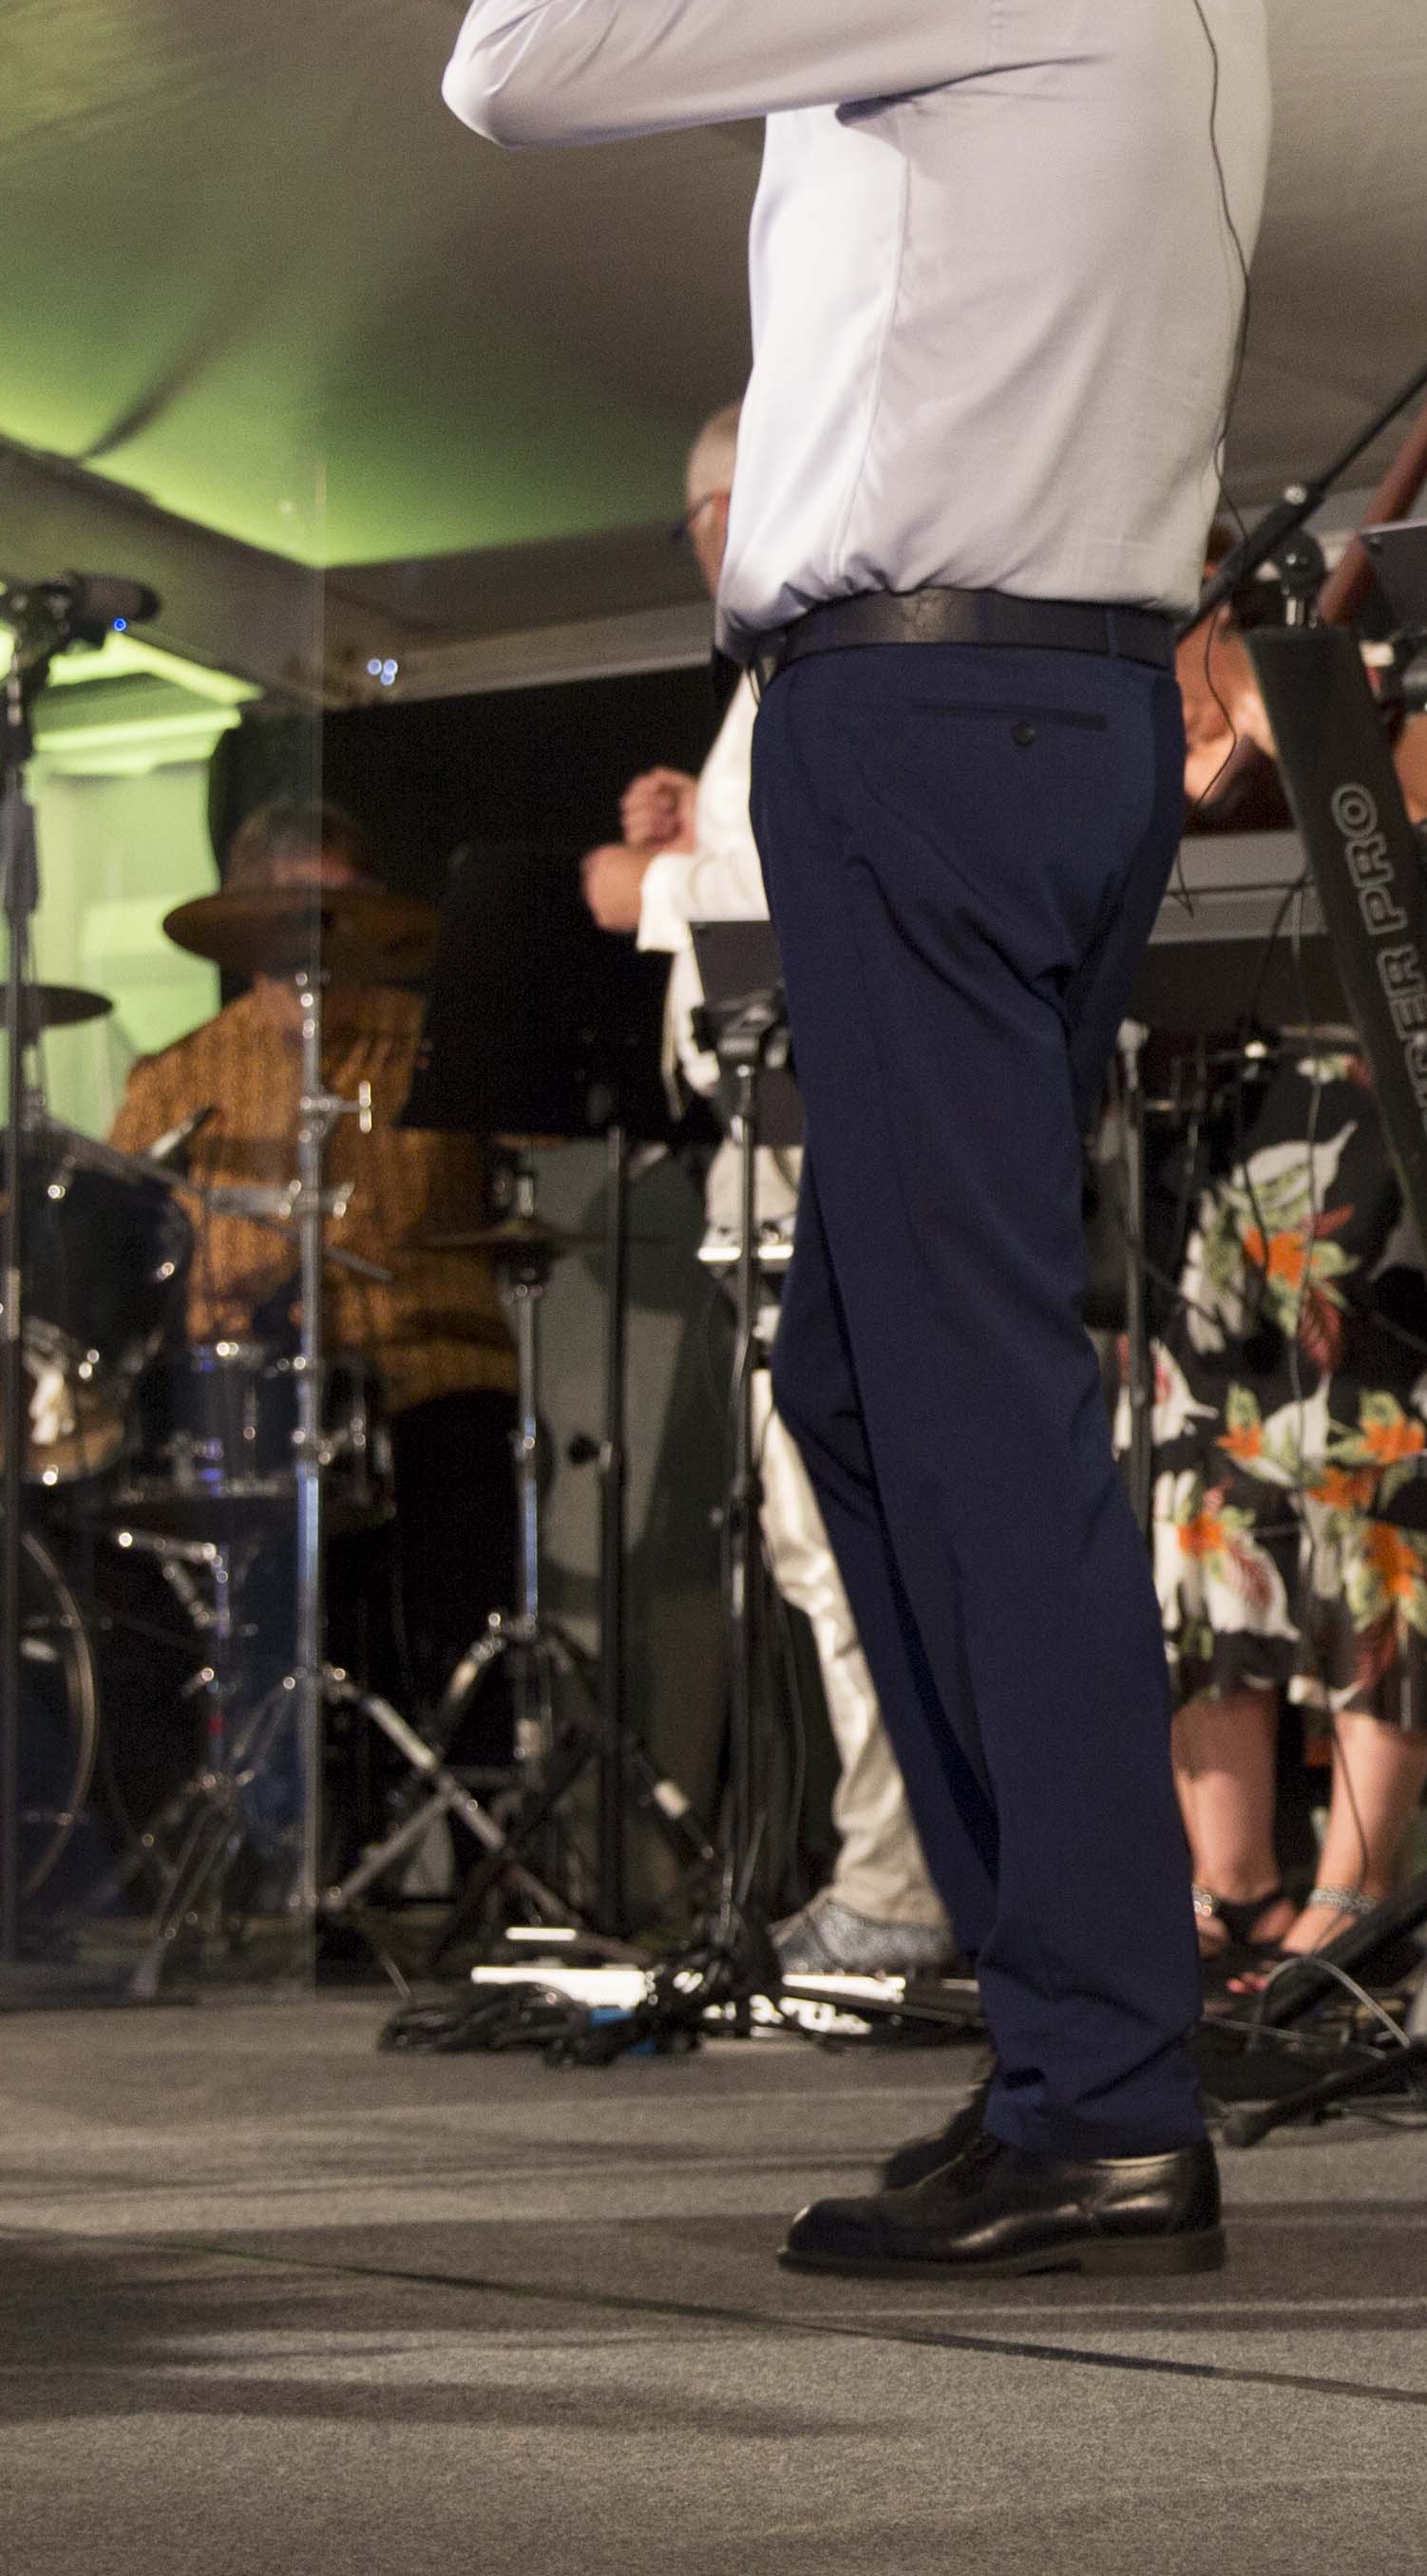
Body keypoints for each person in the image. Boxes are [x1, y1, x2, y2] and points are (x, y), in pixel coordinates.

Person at [447, 0, 1265, 2276]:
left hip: (932, 710)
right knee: (867, 1371)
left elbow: (517, 56)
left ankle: (1107, 2086)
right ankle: (1060, 2039)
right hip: (1052, 707)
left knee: (963, 1387)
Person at [587, 406, 957, 1982]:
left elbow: (816, 900)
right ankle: (897, 1866)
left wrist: (651, 889)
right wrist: (699, 830)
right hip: (783, 1171)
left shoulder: (822, 659)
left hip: (822, 1178)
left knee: (844, 1533)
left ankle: (904, 1879)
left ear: (726, 512)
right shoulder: (788, 674)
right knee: (820, 1544)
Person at [1140, 607, 1427, 1986]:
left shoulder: (1375, 700)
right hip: (1216, 1152)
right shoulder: (1136, 734)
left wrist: (1301, 735)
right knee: (1205, 1508)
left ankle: (1356, 1890)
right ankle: (1229, 1887)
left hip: (1380, 1145)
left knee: (1380, 1504)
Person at [108, 802, 516, 1855]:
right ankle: (289, 1852)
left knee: (461, 1616)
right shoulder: (174, 1081)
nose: (318, 939)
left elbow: (558, 1124)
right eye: (293, 914)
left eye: (341, 909)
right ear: (245, 924)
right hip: (259, 1410)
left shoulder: (440, 1046)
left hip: (431, 1381)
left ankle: (484, 1864)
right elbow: (129, 1267)